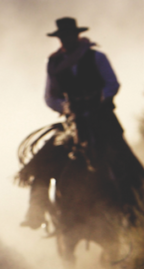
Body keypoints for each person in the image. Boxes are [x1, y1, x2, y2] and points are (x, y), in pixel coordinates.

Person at [21, 17, 144, 229]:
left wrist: (97, 99)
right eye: (63, 36)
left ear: (76, 35)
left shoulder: (96, 57)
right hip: (73, 123)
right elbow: (50, 97)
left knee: (129, 164)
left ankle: (137, 209)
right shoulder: (54, 63)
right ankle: (36, 211)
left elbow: (112, 84)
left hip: (104, 120)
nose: (66, 39)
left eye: (69, 35)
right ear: (59, 38)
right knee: (42, 163)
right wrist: (66, 107)